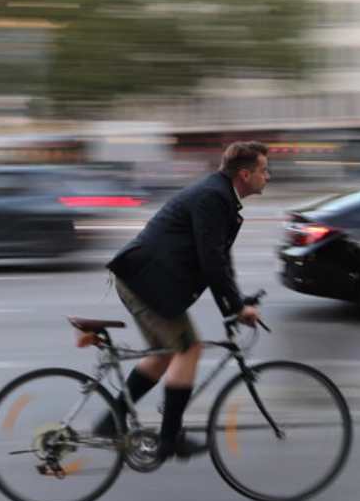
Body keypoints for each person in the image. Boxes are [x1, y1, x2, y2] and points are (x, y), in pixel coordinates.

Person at [95, 141, 269, 463]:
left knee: (165, 355)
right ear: (245, 174)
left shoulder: (220, 197)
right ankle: (169, 439)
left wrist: (236, 302)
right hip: (145, 280)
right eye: (263, 170)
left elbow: (219, 257)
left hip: (145, 280)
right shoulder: (213, 197)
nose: (267, 176)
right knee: (189, 348)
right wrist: (234, 308)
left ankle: (111, 421)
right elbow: (211, 260)